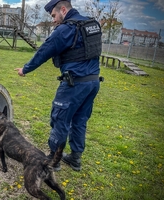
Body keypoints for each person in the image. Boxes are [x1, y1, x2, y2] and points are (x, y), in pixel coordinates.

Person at [15, 0, 102, 171]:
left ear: (63, 10)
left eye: (54, 15)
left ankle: (54, 160)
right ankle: (75, 158)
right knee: (80, 120)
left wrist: (25, 69)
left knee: (60, 119)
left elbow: (44, 51)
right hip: (93, 82)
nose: (53, 20)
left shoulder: (66, 29)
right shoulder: (91, 25)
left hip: (74, 83)